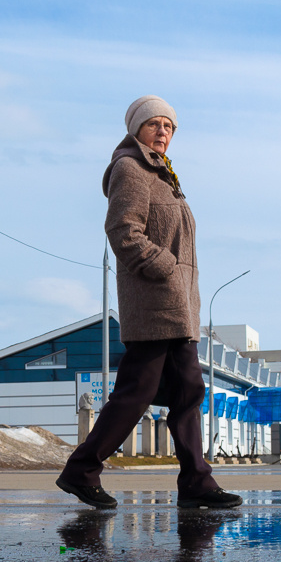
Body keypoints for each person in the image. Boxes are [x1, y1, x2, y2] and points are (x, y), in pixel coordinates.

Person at [55, 96, 243, 510]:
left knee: (188, 391)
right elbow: (123, 230)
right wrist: (164, 266)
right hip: (155, 303)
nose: (163, 132)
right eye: (155, 124)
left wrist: (178, 280)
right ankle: (81, 470)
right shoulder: (131, 168)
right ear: (136, 128)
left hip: (177, 306)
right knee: (136, 392)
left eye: (169, 127)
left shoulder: (163, 175)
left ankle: (196, 480)